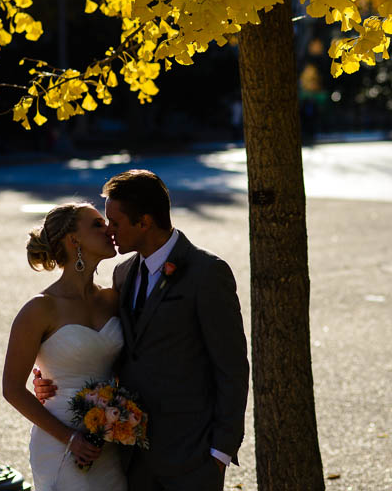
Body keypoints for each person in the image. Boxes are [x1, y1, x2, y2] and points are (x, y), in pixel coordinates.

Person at [34, 169, 250, 491]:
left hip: (192, 456)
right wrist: (49, 374)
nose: (109, 230)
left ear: (144, 222)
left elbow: (232, 368)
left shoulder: (207, 274)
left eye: (115, 223)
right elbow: (105, 346)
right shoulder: (123, 275)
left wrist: (219, 452)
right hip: (129, 456)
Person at [3, 202, 127, 490]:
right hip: (60, 441)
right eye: (97, 224)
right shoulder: (39, 309)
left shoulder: (113, 299)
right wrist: (71, 438)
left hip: (111, 438)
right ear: (74, 240)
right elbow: (11, 388)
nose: (108, 229)